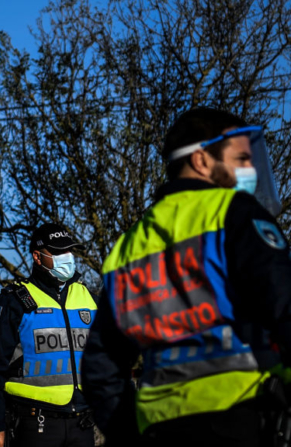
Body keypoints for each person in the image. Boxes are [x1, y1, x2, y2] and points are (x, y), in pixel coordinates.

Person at [81, 107, 291, 447]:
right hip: (249, 417)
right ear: (201, 161)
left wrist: (130, 437)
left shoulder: (128, 247)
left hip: (161, 430)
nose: (249, 170)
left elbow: (100, 369)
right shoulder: (233, 213)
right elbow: (285, 307)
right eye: (240, 159)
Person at [0, 223, 98, 447]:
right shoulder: (13, 301)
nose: (67, 257)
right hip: (34, 424)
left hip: (82, 423)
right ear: (37, 256)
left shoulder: (88, 298)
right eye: (59, 252)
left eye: (69, 251)